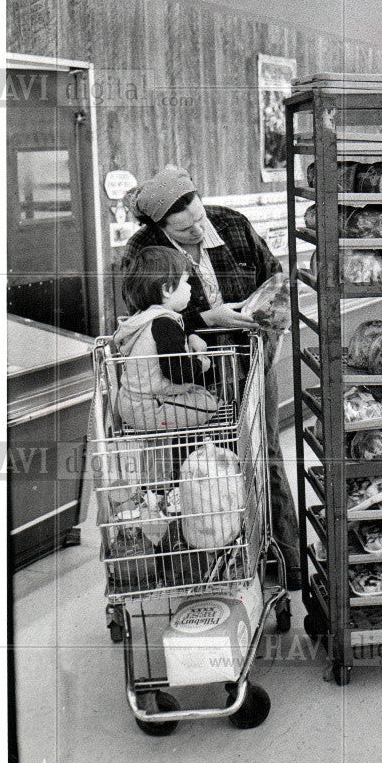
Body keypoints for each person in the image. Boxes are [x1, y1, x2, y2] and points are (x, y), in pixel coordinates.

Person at [122, 166, 301, 589]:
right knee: (201, 469)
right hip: (188, 380)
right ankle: (209, 571)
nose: (198, 230)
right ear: (159, 227)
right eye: (183, 229)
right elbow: (143, 316)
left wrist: (266, 319)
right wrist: (206, 318)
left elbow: (274, 277)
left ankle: (287, 564)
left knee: (264, 455)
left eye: (198, 216)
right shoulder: (141, 251)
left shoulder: (232, 224)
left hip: (251, 358)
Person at [114, 246, 218, 433]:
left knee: (197, 394)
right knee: (208, 404)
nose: (189, 289)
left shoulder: (145, 318)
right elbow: (178, 373)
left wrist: (190, 336)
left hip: (132, 403)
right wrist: (201, 363)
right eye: (186, 282)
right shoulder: (165, 324)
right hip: (151, 410)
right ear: (167, 290)